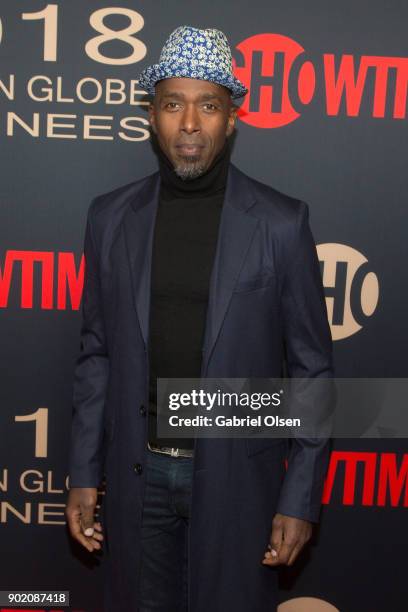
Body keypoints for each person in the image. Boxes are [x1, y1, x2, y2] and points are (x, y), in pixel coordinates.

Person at [65, 25, 334, 612]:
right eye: (172, 104)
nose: (189, 123)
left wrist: (300, 497)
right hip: (138, 479)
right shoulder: (110, 218)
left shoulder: (281, 223)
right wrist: (83, 470)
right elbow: (97, 353)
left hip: (239, 482)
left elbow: (312, 370)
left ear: (231, 117)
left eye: (208, 104)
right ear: (152, 117)